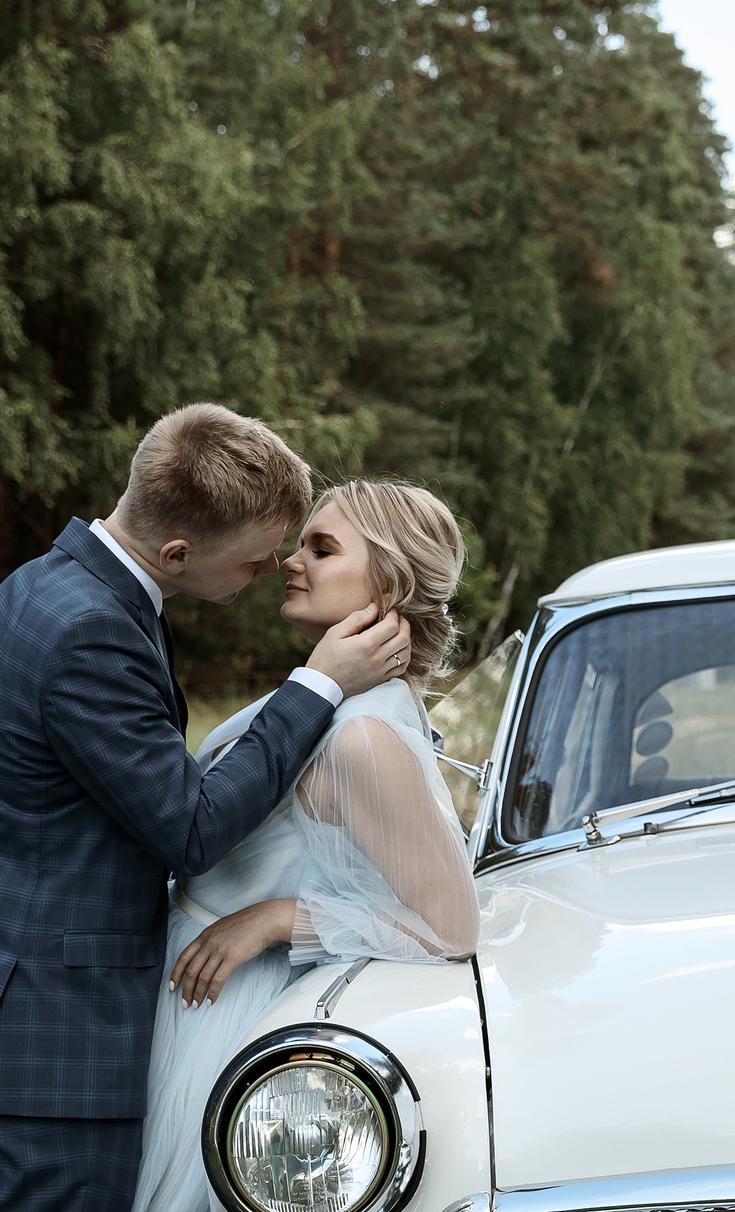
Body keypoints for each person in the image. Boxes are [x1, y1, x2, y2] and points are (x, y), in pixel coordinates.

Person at [0, 406, 416, 1212]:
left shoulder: (37, 587)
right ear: (177, 552)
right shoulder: (91, 631)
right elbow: (192, 827)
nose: (272, 568)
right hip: (49, 1048)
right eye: (254, 557)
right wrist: (320, 683)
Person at [131, 480, 480, 1212]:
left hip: (218, 1008)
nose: (292, 560)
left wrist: (274, 917)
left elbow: (450, 926)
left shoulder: (365, 735)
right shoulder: (334, 697)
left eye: (322, 548)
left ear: (388, 582)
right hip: (184, 979)